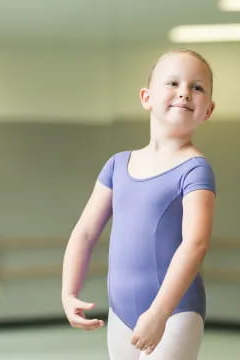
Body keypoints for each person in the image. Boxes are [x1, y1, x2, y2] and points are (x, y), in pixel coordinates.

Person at [61, 49, 216, 360]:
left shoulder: (195, 168)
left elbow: (195, 244)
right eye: (172, 82)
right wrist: (69, 291)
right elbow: (86, 232)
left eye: (197, 87)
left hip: (175, 311)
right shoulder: (117, 165)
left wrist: (159, 313)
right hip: (121, 313)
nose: (184, 92)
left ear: (208, 110)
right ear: (146, 97)